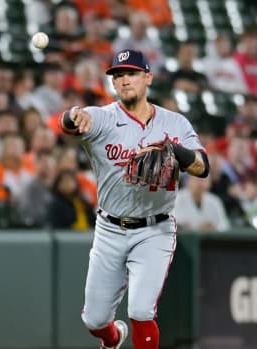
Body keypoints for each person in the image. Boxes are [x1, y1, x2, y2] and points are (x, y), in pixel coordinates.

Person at [60, 49, 209, 349]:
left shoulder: (174, 123)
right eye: (118, 75)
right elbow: (70, 122)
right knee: (95, 320)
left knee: (141, 310)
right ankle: (113, 338)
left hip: (155, 228)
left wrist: (175, 152)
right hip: (110, 229)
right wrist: (74, 115)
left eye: (131, 73)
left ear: (148, 78)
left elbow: (203, 167)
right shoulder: (103, 118)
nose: (124, 80)